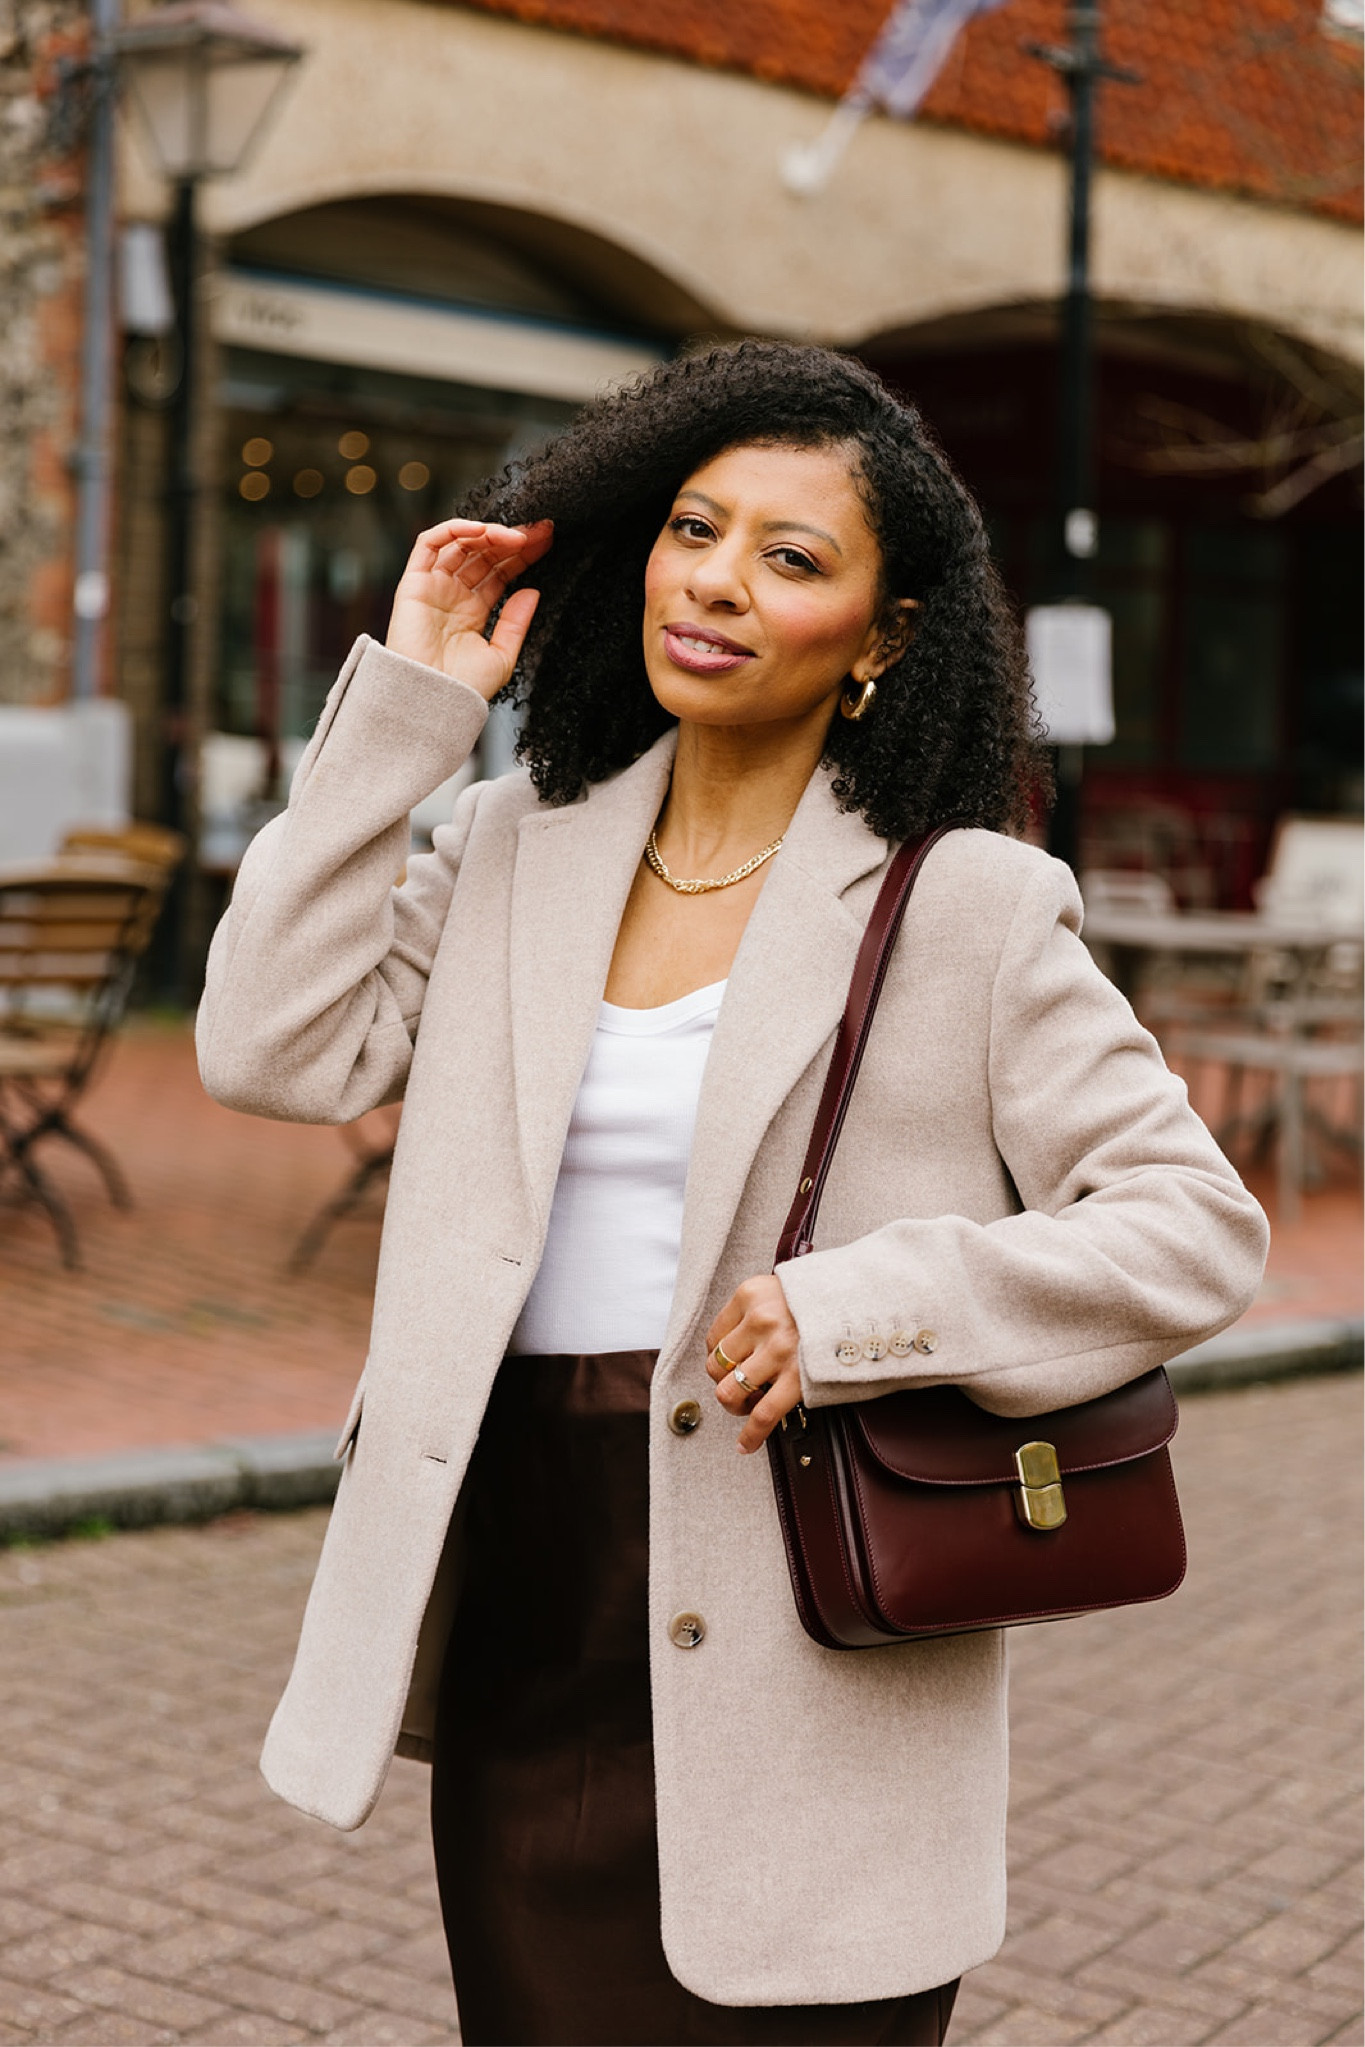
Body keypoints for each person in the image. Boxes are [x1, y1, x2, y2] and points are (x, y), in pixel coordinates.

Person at [197, 341, 1268, 2047]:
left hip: (804, 1598)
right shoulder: (508, 847)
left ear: (881, 634)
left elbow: (1190, 1226)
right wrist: (410, 710)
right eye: (694, 530)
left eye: (789, 556)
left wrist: (859, 1309)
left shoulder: (966, 907)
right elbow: (269, 1047)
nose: (713, 582)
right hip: (530, 1584)